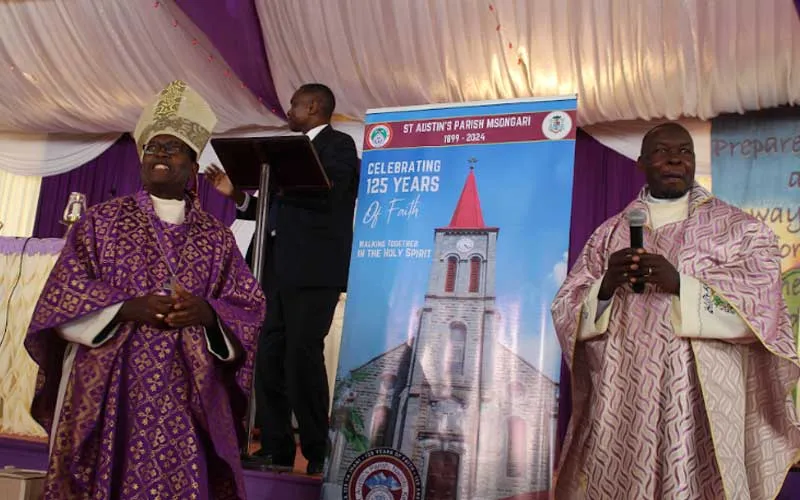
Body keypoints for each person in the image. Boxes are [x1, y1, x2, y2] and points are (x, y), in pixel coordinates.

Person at [25, 80, 266, 499]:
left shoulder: (215, 236)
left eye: (172, 149)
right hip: (108, 379)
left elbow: (248, 307)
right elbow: (61, 295)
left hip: (184, 386)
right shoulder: (100, 222)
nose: (160, 155)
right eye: (153, 148)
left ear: (192, 165)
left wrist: (207, 314)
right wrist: (124, 308)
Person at [551, 122, 800, 499]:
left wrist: (682, 284)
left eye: (684, 151)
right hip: (624, 399)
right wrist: (604, 286)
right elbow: (565, 309)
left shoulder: (738, 229)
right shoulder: (608, 235)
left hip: (697, 402)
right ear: (641, 163)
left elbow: (763, 310)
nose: (674, 159)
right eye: (662, 152)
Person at [206, 83, 358, 474]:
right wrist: (238, 197)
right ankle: (275, 447)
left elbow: (333, 193)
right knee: (269, 356)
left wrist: (283, 182)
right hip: (273, 267)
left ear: (312, 106)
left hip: (313, 270)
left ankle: (317, 449)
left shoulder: (337, 147)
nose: (288, 111)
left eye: (293, 105)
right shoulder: (281, 159)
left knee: (301, 355)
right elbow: (274, 207)